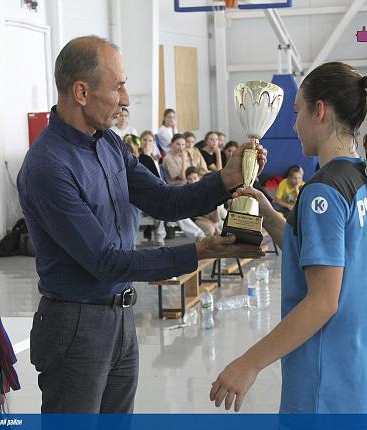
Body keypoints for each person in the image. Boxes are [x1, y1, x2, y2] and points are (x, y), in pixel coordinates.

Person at [16, 35, 267, 414]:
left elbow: (165, 201)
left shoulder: (110, 144)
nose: (126, 98)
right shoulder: (48, 167)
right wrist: (197, 252)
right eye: (117, 86)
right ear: (81, 92)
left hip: (120, 316)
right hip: (76, 325)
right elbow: (105, 261)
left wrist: (227, 179)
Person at [210, 62, 367, 413]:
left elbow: (323, 301)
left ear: (319, 111)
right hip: (365, 369)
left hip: (327, 381)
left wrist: (248, 363)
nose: (294, 126)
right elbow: (323, 255)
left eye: (297, 113)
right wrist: (268, 215)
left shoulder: (323, 192)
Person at [186, 167, 226, 237]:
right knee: (211, 229)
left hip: (209, 218)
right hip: (196, 219)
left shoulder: (211, 193)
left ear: (199, 177)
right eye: (190, 179)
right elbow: (194, 216)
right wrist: (211, 223)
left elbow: (216, 220)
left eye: (195, 178)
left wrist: (216, 204)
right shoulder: (190, 193)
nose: (193, 181)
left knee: (223, 228)